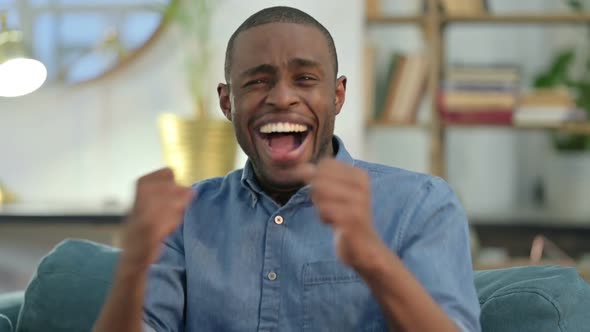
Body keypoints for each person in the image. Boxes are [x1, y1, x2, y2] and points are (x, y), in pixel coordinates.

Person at [93, 6, 481, 332]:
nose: (281, 97)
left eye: (305, 79)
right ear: (228, 102)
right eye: (258, 81)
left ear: (338, 95)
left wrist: (371, 257)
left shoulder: (421, 204)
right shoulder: (184, 218)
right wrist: (132, 265)